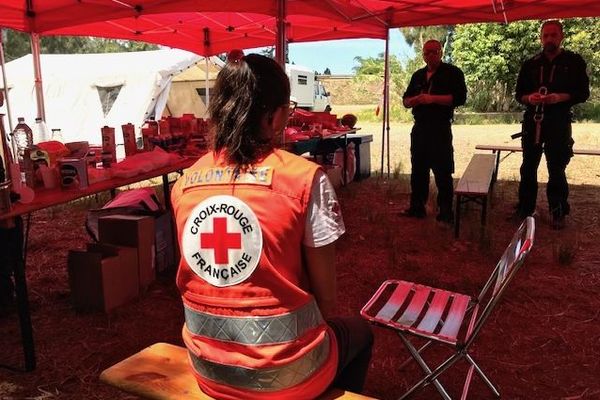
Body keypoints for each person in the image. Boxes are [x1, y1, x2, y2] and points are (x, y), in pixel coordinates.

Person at [170, 54, 373, 400]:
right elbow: (327, 300)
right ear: (275, 116)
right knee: (361, 332)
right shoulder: (305, 179)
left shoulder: (185, 184)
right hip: (287, 377)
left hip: (209, 369)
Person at [514, 20, 590, 229]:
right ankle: (525, 209)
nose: (549, 39)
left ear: (561, 37)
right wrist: (530, 98)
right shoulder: (531, 64)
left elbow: (583, 93)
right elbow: (519, 94)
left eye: (553, 35)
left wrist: (559, 97)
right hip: (533, 121)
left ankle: (558, 212)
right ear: (541, 38)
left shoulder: (574, 62)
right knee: (528, 166)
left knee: (556, 168)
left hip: (559, 120)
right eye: (545, 35)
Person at [402, 39, 467, 223]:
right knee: (418, 169)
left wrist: (432, 99)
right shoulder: (418, 75)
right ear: (423, 55)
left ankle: (445, 210)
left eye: (434, 51)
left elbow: (459, 98)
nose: (430, 55)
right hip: (420, 127)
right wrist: (414, 101)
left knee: (443, 170)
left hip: (440, 127)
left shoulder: (452, 73)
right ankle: (417, 207)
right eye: (426, 52)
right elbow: (406, 100)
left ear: (441, 52)